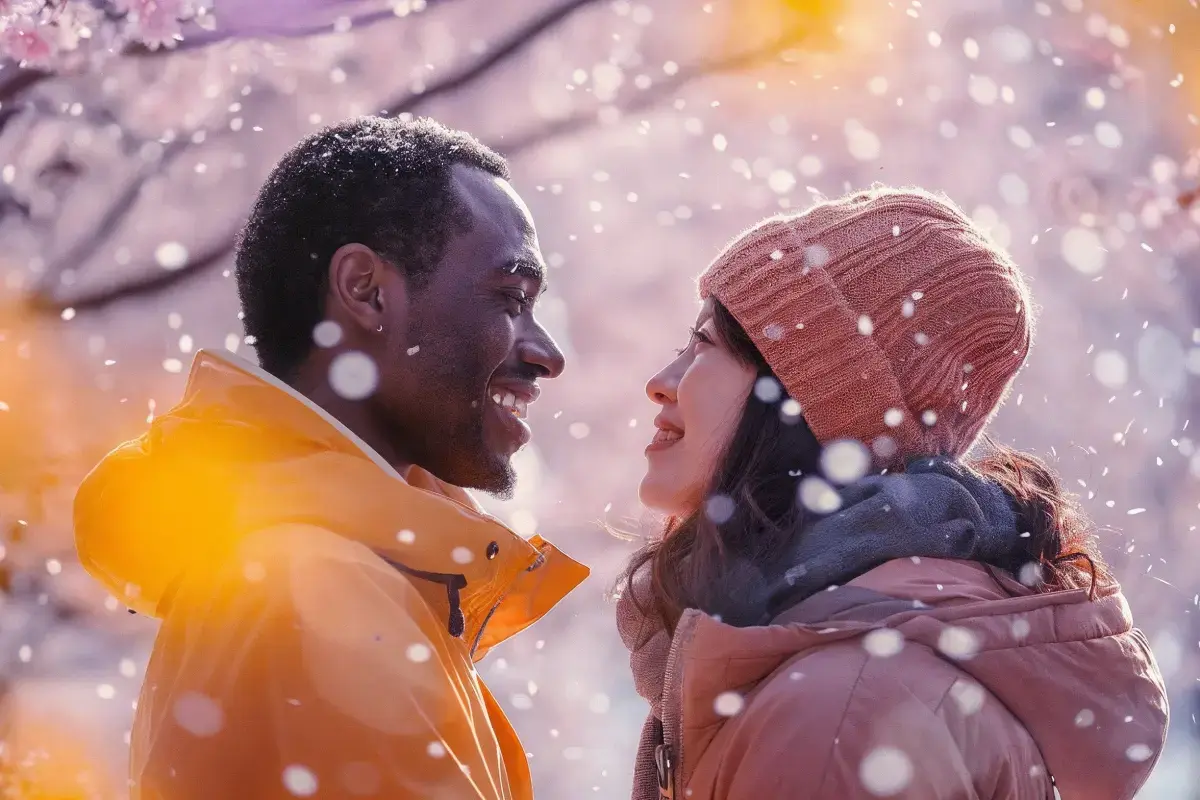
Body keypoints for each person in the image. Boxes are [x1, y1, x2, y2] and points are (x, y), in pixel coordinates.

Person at [73, 116, 587, 800]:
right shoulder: (315, 589)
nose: (546, 354)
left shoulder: (313, 569)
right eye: (511, 299)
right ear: (366, 291)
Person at [616, 186, 1169, 800]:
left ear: (806, 403)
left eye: (706, 345)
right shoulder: (838, 671)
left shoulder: (836, 713)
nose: (659, 384)